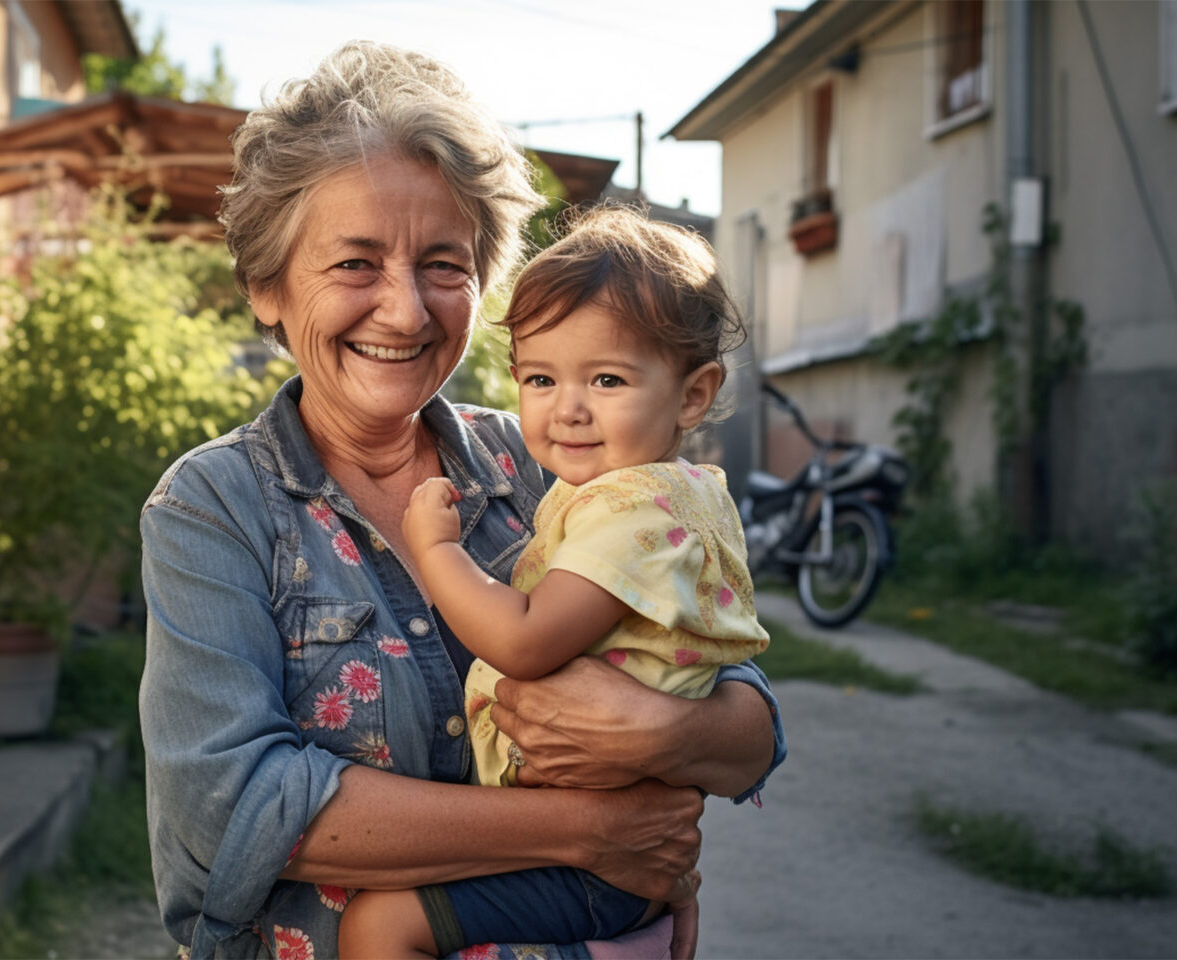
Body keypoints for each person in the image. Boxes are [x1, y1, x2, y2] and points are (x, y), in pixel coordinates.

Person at [138, 42, 786, 960]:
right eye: (356, 264)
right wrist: (585, 833)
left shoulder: (552, 466)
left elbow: (747, 720)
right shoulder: (215, 508)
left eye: (443, 264)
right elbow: (236, 807)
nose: (405, 312)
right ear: (266, 287)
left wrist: (667, 730)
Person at [338, 207, 768, 960]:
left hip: (596, 867)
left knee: (380, 927)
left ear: (694, 395)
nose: (567, 409)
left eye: (606, 378)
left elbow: (525, 640)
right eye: (540, 377)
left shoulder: (634, 510)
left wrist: (435, 550)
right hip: (593, 842)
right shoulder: (664, 489)